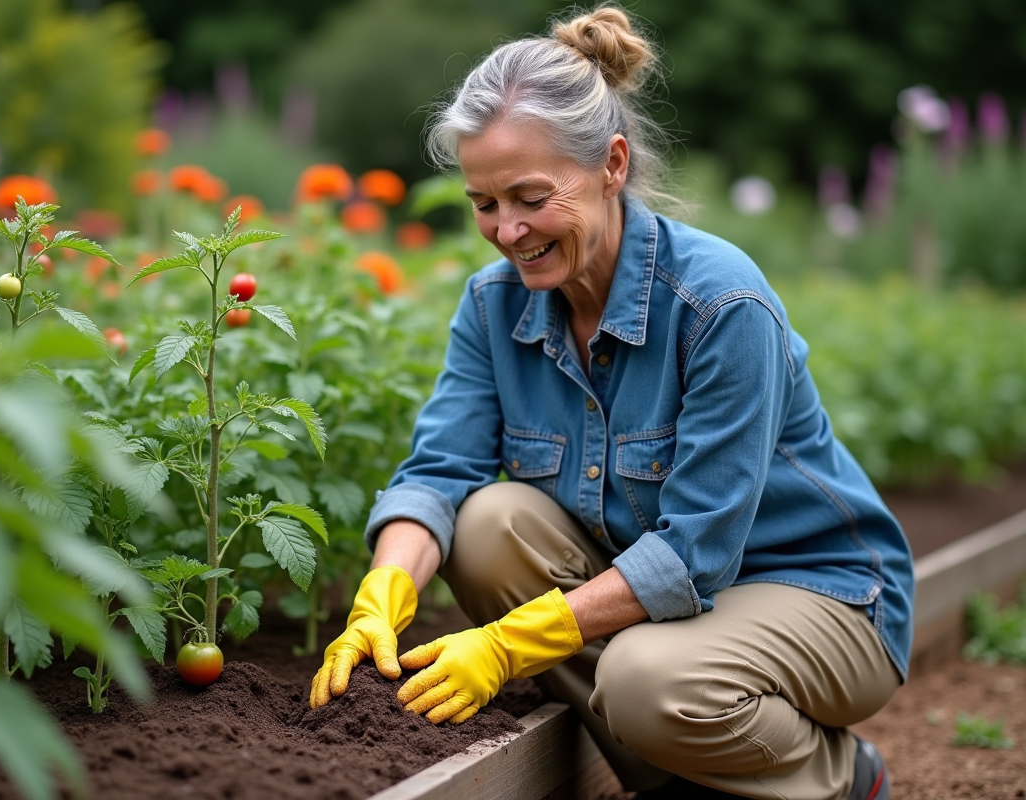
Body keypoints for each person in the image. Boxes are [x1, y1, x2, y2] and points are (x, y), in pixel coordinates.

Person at [309, 5, 913, 799]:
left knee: (644, 683)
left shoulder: (719, 304)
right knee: (486, 529)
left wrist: (506, 644)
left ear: (612, 166)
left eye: (529, 196)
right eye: (484, 204)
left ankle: (840, 776)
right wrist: (381, 595)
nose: (506, 230)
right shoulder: (494, 306)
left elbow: (697, 552)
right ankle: (682, 775)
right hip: (677, 612)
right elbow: (440, 469)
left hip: (822, 596)